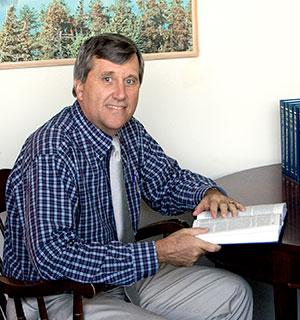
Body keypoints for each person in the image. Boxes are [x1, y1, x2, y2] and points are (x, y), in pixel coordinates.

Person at [3, 33, 253, 319]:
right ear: (80, 87)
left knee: (233, 295)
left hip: (120, 276)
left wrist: (207, 193)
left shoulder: (130, 131)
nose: (120, 93)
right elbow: (53, 257)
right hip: (57, 296)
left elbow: (167, 182)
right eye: (107, 79)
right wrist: (159, 252)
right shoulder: (51, 150)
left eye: (130, 81)